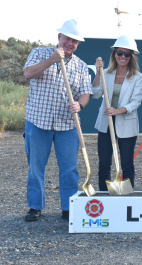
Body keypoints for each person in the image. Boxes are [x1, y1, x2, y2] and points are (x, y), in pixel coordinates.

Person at [23, 19, 92, 221]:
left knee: (69, 169)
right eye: (68, 39)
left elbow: (85, 93)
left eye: (75, 41)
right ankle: (35, 206)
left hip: (67, 125)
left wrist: (80, 105)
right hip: (38, 122)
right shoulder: (39, 53)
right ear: (59, 37)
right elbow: (28, 73)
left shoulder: (80, 66)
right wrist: (52, 60)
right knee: (36, 167)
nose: (70, 43)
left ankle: (68, 207)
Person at [91, 35, 142, 191]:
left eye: (127, 54)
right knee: (104, 163)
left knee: (127, 163)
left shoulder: (137, 78)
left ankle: (127, 196)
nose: (123, 57)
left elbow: (136, 102)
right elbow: (95, 94)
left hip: (126, 124)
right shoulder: (106, 73)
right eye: (120, 53)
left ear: (131, 57)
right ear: (114, 54)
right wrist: (97, 72)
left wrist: (117, 111)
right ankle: (103, 194)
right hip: (105, 124)